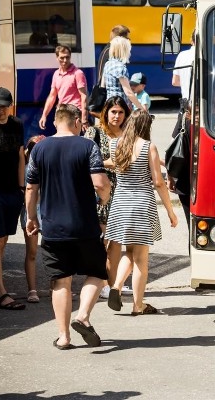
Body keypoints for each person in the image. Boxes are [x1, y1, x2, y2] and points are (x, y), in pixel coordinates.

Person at [25, 104, 111, 348]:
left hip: (53, 228)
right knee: (96, 273)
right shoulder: (87, 146)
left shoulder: (39, 148)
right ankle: (82, 316)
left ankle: (63, 337)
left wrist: (32, 217)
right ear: (76, 122)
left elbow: (31, 187)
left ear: (55, 122)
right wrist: (104, 198)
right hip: (85, 225)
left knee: (60, 281)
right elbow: (100, 183)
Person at [105, 110, 178, 315]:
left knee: (129, 251)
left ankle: (116, 286)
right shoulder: (148, 147)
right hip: (141, 205)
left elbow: (115, 165)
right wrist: (171, 212)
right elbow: (158, 182)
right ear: (147, 126)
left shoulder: (114, 144)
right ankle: (138, 305)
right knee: (141, 259)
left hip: (120, 204)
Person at [84, 96, 133, 299]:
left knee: (116, 242)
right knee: (101, 242)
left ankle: (113, 285)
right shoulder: (94, 132)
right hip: (100, 194)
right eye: (113, 111)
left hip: (123, 194)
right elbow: (84, 160)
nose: (117, 116)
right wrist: (113, 163)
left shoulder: (129, 134)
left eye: (120, 112)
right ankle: (100, 282)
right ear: (105, 113)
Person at [0, 87, 26, 311]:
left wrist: (22, 188)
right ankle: (1, 293)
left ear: (10, 106)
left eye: (3, 106)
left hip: (12, 191)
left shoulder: (17, 125)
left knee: (2, 241)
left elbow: (21, 158)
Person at [19, 136, 45, 304]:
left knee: (54, 252)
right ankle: (32, 290)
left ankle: (57, 285)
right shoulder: (26, 168)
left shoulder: (50, 166)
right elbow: (24, 189)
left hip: (48, 209)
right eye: (32, 147)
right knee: (32, 252)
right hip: (30, 210)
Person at [39, 45, 89, 131]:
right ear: (57, 57)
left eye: (67, 57)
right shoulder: (56, 74)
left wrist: (84, 119)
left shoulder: (78, 73)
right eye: (62, 58)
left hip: (74, 114)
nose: (65, 60)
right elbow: (52, 96)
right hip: (61, 114)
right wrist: (44, 115)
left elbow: (84, 96)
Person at [104, 36, 145, 111]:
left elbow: (103, 85)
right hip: (120, 106)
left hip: (109, 104)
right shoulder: (121, 67)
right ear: (124, 50)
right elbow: (128, 92)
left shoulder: (108, 64)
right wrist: (141, 108)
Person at [172, 33, 195, 136]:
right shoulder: (208, 54)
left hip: (186, 104)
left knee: (179, 136)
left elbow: (175, 82)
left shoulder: (182, 55)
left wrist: (186, 82)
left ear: (191, 40)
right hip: (203, 106)